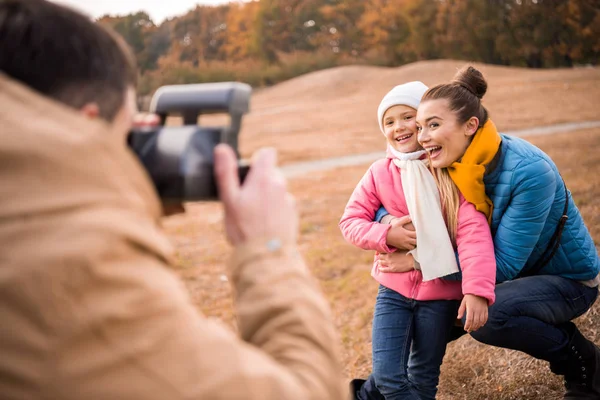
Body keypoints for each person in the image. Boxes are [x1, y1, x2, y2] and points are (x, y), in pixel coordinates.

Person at [0, 1, 347, 398]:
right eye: (124, 131)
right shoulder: (67, 278)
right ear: (87, 121)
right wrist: (269, 248)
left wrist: (117, 177)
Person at [373, 66, 600, 399]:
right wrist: (384, 224)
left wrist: (418, 261)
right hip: (486, 273)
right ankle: (370, 392)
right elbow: (392, 194)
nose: (422, 137)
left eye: (433, 126)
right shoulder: (446, 161)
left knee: (488, 315)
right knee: (422, 313)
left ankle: (584, 363)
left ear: (470, 126)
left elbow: (503, 265)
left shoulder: (528, 171)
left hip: (564, 281)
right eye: (421, 126)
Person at [339, 82, 496, 400]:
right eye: (389, 121)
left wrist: (476, 290)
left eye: (407, 117)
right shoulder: (379, 172)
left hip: (440, 297)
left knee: (423, 380)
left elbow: (473, 235)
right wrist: (386, 234)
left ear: (424, 121)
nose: (399, 127)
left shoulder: (450, 171)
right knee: (387, 377)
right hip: (393, 290)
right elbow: (350, 222)